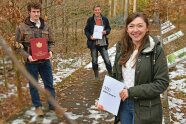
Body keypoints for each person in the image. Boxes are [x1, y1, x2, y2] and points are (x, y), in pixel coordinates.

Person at [97, 12, 169, 124]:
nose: (135, 30)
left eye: (140, 25)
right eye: (131, 26)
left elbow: (162, 83)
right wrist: (107, 101)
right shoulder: (122, 48)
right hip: (124, 105)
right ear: (127, 29)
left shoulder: (156, 50)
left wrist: (131, 92)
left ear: (147, 28)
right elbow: (117, 77)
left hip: (146, 109)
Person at [14, 2, 55, 116]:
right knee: (33, 85)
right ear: (29, 12)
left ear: (40, 12)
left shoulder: (46, 26)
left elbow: (51, 42)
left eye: (38, 12)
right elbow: (16, 46)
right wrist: (28, 56)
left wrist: (51, 51)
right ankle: (38, 107)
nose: (36, 14)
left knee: (49, 84)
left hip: (45, 61)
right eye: (34, 11)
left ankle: (52, 106)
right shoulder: (21, 27)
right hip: (31, 62)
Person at [84, 5, 112, 80]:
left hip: (103, 43)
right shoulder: (90, 20)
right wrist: (90, 36)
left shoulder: (105, 19)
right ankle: (96, 76)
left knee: (107, 60)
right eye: (95, 10)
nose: (97, 11)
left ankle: (111, 74)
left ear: (100, 10)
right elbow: (86, 30)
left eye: (98, 10)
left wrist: (106, 31)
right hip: (93, 43)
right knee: (94, 61)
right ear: (93, 11)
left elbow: (109, 28)